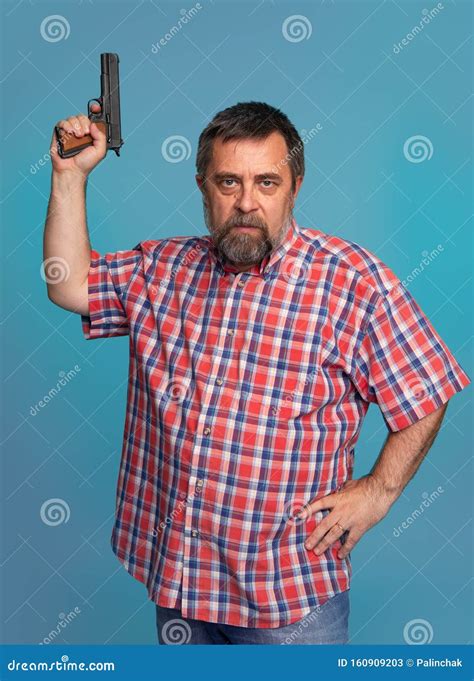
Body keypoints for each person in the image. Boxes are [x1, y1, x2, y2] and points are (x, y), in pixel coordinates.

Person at [44, 101, 471, 645]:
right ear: (203, 186)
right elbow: (68, 284)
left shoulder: (353, 282)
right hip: (180, 584)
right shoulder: (163, 269)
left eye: (267, 182)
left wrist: (379, 491)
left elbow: (428, 388)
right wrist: (68, 176)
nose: (247, 202)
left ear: (295, 185)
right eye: (229, 182)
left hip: (289, 600)